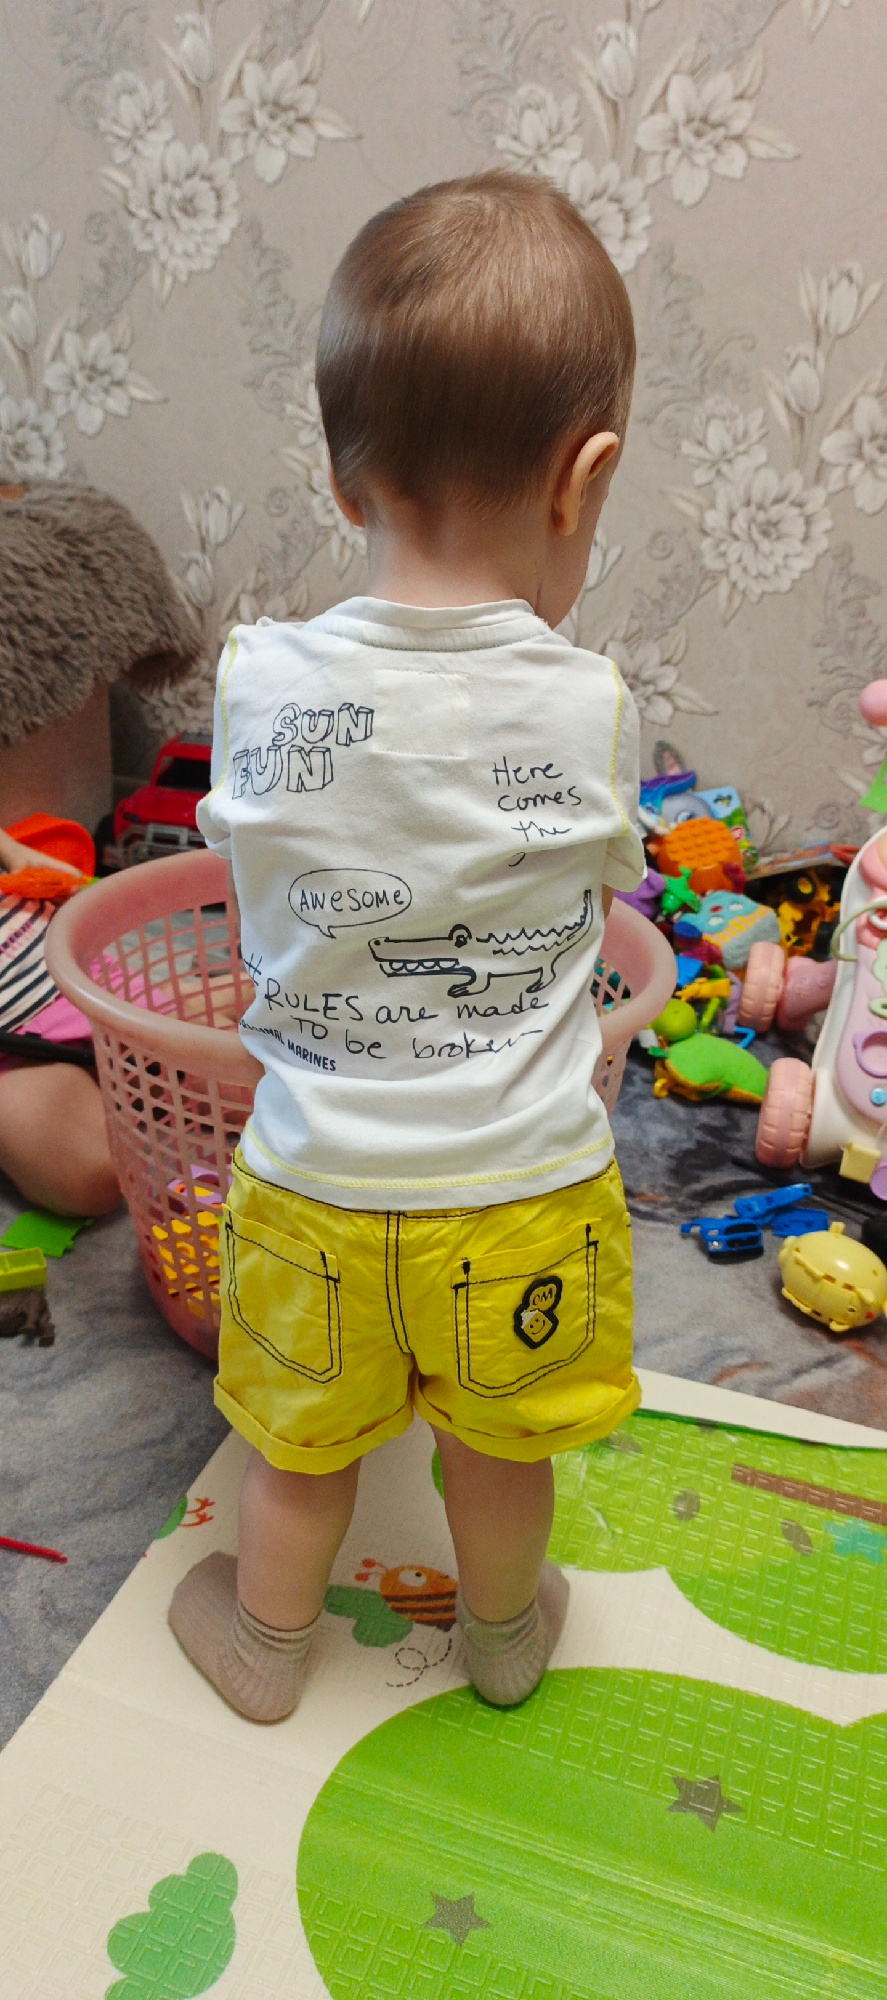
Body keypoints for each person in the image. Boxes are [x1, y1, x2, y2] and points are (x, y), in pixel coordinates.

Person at [168, 170, 644, 1722]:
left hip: (314, 1183)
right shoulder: (589, 706)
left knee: (298, 1451)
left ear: (340, 480)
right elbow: (594, 897)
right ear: (581, 478)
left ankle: (267, 1646)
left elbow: (254, 865)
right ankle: (501, 1639)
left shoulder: (258, 680)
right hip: (521, 1197)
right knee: (497, 1450)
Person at [0, 823, 120, 1217]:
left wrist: (16, 854)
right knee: (93, 1181)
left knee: (244, 1089)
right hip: (11, 1052)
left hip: (71, 969)